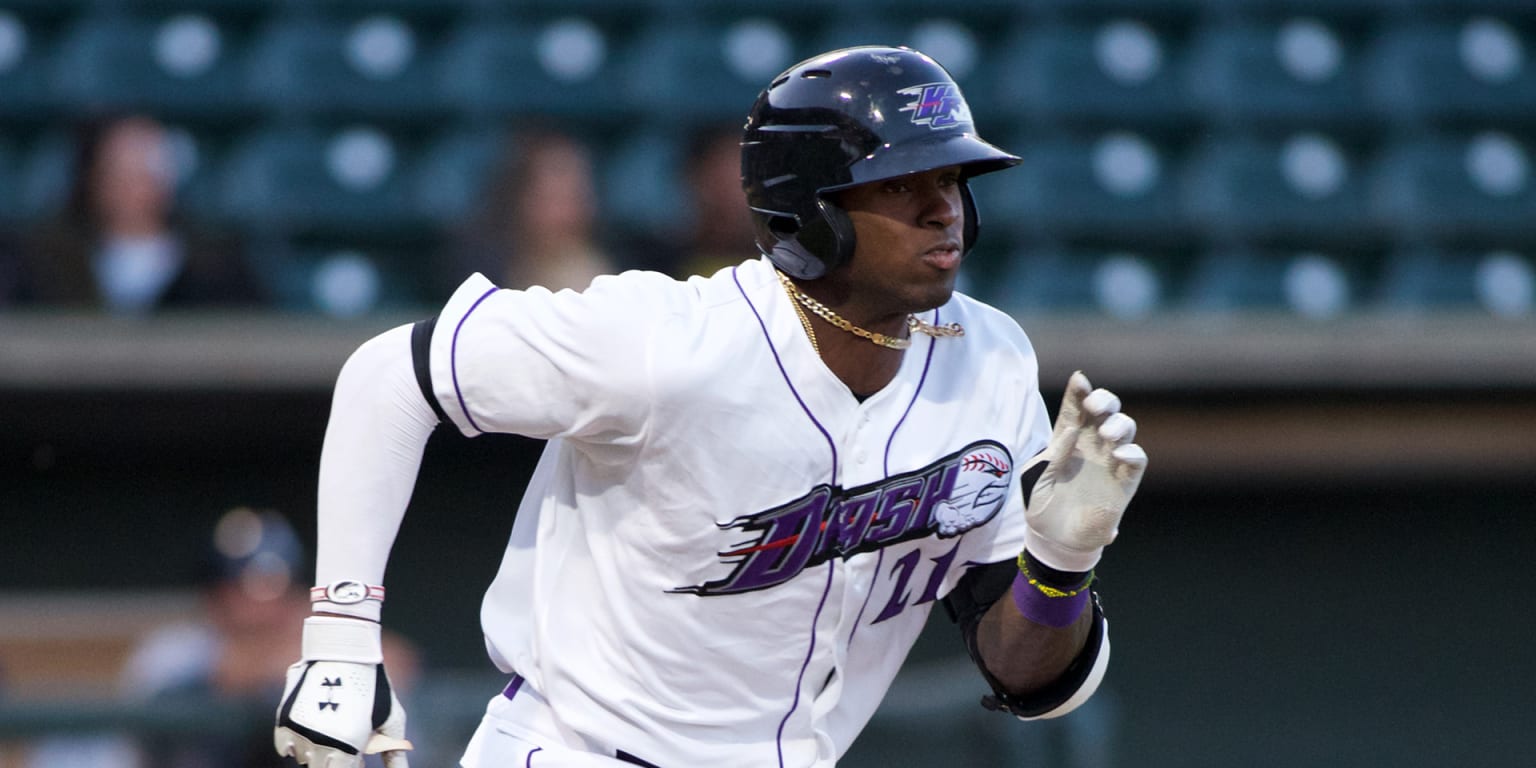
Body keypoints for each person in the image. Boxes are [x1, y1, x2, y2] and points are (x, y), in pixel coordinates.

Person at [273, 46, 1147, 768]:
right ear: (809, 211)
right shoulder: (667, 341)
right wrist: (342, 637)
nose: (942, 208)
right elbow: (393, 373)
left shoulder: (990, 360)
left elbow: (1026, 677)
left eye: (953, 178)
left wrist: (1059, 562)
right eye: (900, 185)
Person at [13, 113, 262, 312]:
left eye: (145, 172)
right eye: (121, 172)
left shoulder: (216, 266)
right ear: (95, 178)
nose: (134, 187)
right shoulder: (49, 263)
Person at [437, 127, 617, 297]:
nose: (567, 216)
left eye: (576, 198)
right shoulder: (481, 275)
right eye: (551, 199)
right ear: (519, 200)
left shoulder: (601, 279)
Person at [670, 123, 761, 279]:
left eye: (749, 183)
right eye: (725, 183)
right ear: (694, 180)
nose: (737, 199)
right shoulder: (651, 261)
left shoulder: (789, 272)